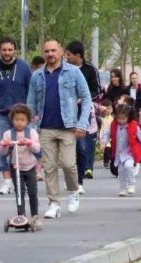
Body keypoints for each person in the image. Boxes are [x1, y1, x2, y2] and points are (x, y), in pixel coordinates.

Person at [27, 39, 92, 219]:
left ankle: (73, 191)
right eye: (47, 51)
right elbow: (30, 104)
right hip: (45, 128)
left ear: (61, 52)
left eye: (54, 50)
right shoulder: (37, 76)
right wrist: (31, 127)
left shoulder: (73, 72)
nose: (50, 54)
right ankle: (54, 203)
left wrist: (82, 124)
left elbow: (86, 98)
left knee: (68, 164)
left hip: (68, 127)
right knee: (49, 167)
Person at [0, 36, 32, 195]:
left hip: (23, 115)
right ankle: (7, 181)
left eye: (10, 49)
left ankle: (24, 179)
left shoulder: (24, 68)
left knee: (25, 147)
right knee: (2, 148)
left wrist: (33, 112)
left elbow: (30, 90)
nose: (7, 53)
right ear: (0, 51)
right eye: (4, 50)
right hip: (2, 115)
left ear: (14, 50)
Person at [64, 40, 102, 193]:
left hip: (82, 112)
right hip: (66, 112)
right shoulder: (64, 69)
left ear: (78, 56)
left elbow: (97, 90)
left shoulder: (90, 70)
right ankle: (69, 179)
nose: (66, 57)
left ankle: (79, 181)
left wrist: (83, 98)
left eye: (69, 55)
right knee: (66, 147)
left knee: (81, 146)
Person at [0, 103, 42, 230]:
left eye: (22, 120)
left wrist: (29, 143)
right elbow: (2, 153)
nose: (19, 123)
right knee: (19, 192)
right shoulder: (8, 134)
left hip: (30, 167)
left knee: (33, 192)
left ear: (27, 120)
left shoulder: (32, 133)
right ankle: (21, 215)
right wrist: (4, 145)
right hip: (15, 167)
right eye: (16, 120)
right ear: (12, 120)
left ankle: (35, 216)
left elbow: (37, 148)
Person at [100, 104, 141, 197]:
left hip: (130, 152)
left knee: (128, 166)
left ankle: (131, 183)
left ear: (128, 117)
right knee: (120, 171)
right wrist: (103, 142)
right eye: (119, 118)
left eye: (123, 118)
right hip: (119, 153)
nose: (121, 121)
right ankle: (123, 188)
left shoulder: (133, 125)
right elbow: (106, 133)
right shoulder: (113, 125)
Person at [99, 99, 113, 168]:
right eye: (106, 109)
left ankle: (109, 160)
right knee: (107, 148)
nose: (108, 110)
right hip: (103, 135)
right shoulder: (101, 118)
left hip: (110, 136)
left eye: (109, 108)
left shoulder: (112, 117)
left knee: (110, 148)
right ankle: (106, 161)